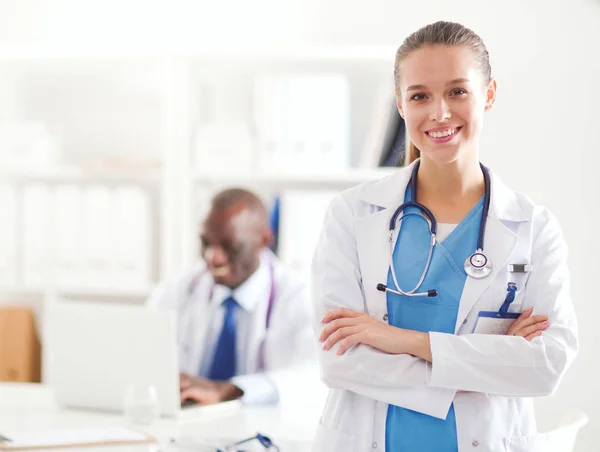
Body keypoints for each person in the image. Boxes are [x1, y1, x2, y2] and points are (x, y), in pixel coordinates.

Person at [312, 21, 578, 451]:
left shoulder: (533, 227)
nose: (439, 113)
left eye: (458, 91)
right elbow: (338, 360)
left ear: (488, 94)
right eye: (419, 95)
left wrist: (404, 341)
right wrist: (484, 366)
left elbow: (547, 365)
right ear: (400, 104)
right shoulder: (353, 215)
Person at [148, 188, 321, 406]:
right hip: (188, 422)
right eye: (206, 243)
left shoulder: (300, 295)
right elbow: (142, 351)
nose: (214, 257)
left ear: (265, 239)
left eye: (230, 246)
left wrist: (231, 390)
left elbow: (316, 375)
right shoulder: (180, 288)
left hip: (264, 429)